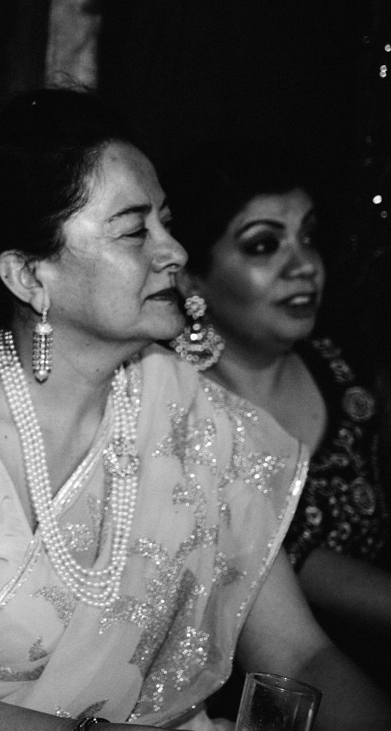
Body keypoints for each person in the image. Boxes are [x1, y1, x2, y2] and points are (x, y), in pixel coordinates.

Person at [0, 90, 391, 731]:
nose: (174, 252)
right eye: (131, 230)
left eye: (167, 221)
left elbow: (301, 661)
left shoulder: (183, 403)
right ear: (28, 277)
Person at [166, 140, 390, 690]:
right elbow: (283, 558)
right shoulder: (173, 402)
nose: (304, 265)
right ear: (192, 279)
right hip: (261, 696)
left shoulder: (346, 372)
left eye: (308, 237)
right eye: (265, 245)